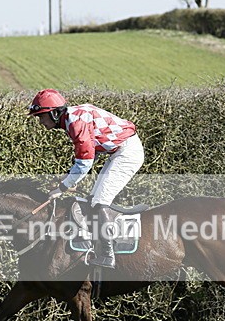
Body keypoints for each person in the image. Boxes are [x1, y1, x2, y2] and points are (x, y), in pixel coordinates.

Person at [28, 88, 145, 269]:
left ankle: (108, 254)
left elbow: (85, 162)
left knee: (99, 202)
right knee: (93, 200)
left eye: (41, 116)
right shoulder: (70, 119)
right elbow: (88, 153)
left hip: (127, 152)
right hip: (119, 151)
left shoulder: (75, 122)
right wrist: (69, 179)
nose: (41, 122)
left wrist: (62, 188)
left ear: (54, 112)